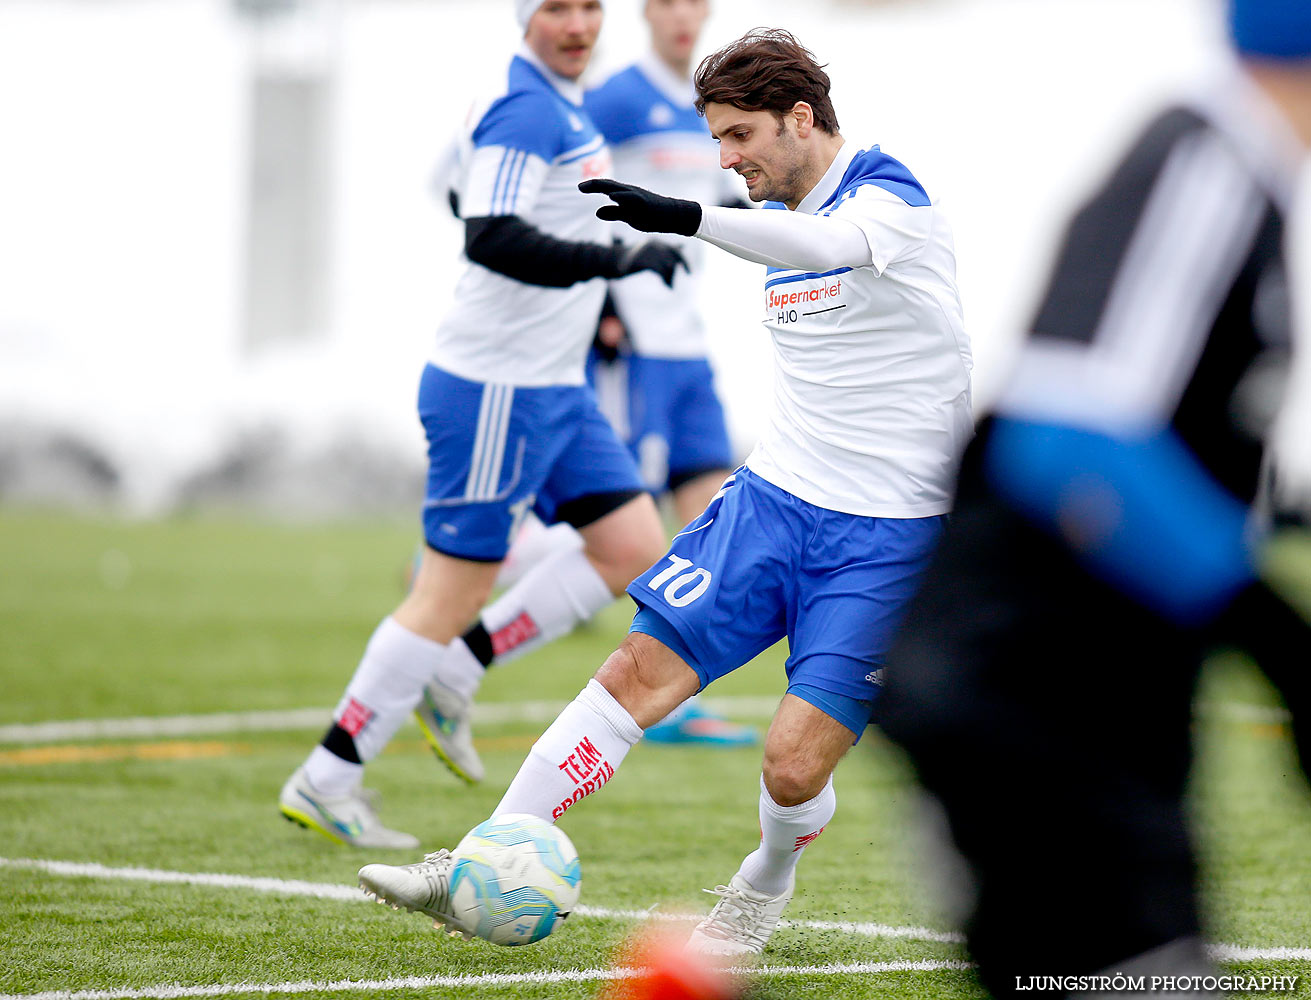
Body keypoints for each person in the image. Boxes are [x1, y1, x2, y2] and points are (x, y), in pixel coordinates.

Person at [356, 27, 973, 958]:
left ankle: (763, 884)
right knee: (632, 675)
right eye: (715, 140)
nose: (725, 160)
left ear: (800, 118)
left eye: (739, 137)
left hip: (892, 537)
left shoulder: (891, 197)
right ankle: (480, 854)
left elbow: (823, 243)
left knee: (792, 764)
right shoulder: (765, 203)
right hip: (774, 501)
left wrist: (685, 216)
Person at [875, 1, 1311, 995]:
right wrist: (1272, 632)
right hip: (1031, 695)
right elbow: (1068, 438)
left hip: (1083, 703)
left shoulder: (1246, 181)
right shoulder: (1209, 163)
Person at [278, 0, 688, 849]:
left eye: (588, 8)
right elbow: (490, 232)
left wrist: (594, 293)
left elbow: (457, 185)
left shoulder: (554, 101)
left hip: (555, 387)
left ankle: (460, 668)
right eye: (555, 9)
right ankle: (328, 776)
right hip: (495, 387)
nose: (576, 24)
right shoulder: (526, 106)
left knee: (634, 549)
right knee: (448, 591)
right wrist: (613, 261)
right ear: (524, 16)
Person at [487, 0, 759, 747]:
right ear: (645, 12)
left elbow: (721, 204)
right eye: (667, 3)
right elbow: (566, 195)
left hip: (688, 348)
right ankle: (492, 565)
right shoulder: (612, 98)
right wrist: (601, 296)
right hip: (630, 343)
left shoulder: (712, 109)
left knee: (710, 528)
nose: (683, 17)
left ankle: (673, 693)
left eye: (694, 4)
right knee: (629, 523)